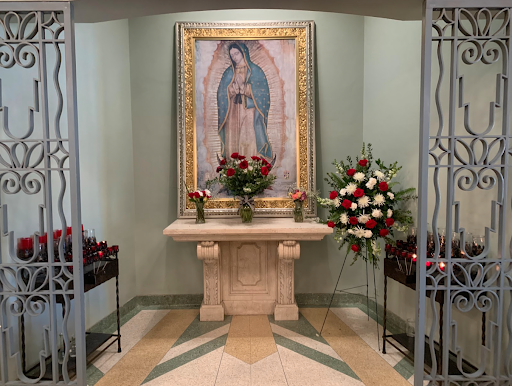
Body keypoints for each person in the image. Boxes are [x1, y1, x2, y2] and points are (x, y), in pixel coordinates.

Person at [217, 42, 273, 160]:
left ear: (243, 53)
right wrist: (232, 89)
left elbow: (263, 94)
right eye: (232, 55)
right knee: (233, 137)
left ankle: (251, 167)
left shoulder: (255, 71)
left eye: (237, 53)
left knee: (248, 136)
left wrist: (245, 89)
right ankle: (233, 166)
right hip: (232, 111)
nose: (235, 57)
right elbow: (221, 93)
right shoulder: (228, 72)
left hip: (249, 111)